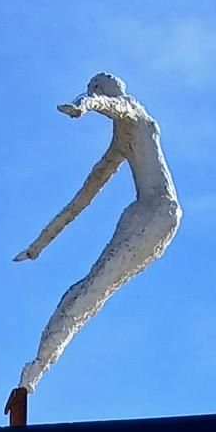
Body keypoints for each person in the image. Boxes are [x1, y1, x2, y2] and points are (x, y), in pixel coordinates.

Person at [12, 73, 181, 397]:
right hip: (142, 215)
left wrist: (83, 105)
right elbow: (81, 200)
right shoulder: (120, 142)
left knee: (95, 289)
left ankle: (36, 369)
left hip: (160, 213)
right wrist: (38, 245)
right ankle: (35, 368)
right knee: (84, 290)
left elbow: (113, 106)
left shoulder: (135, 113)